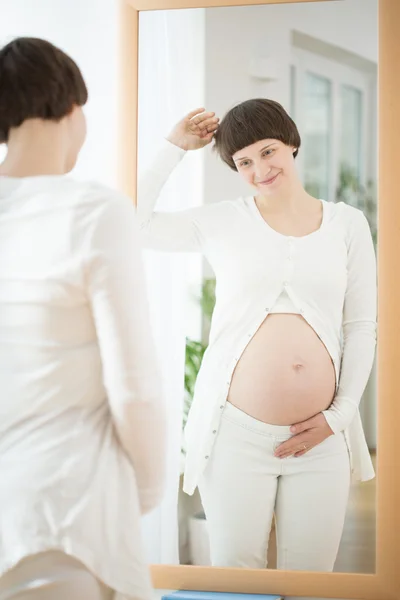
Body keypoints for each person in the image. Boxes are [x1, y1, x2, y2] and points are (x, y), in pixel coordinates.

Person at [137, 99, 377, 572]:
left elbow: (361, 326)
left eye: (267, 152)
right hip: (234, 436)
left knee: (311, 579)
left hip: (322, 438)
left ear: (291, 144)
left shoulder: (347, 223)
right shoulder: (223, 220)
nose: (260, 169)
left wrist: (340, 416)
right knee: (236, 575)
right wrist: (174, 148)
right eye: (244, 162)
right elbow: (134, 224)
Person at [0, 37, 166, 600]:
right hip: (66, 514)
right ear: (72, 108)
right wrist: (144, 490)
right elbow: (134, 385)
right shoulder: (93, 211)